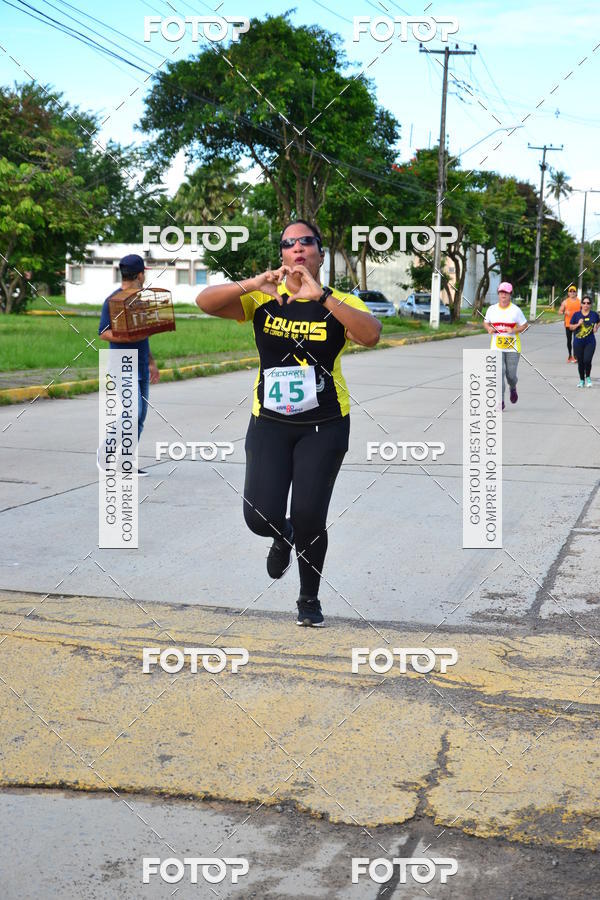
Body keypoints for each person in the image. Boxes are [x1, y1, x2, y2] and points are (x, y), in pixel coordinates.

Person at [196, 219, 381, 627]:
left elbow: (370, 335)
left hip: (326, 424)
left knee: (311, 515)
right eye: (288, 243)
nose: (297, 248)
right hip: (270, 423)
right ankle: (283, 534)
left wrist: (325, 297)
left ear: (320, 252)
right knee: (258, 516)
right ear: (281, 254)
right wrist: (253, 282)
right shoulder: (264, 298)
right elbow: (205, 302)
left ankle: (308, 598)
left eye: (306, 242)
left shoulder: (340, 300)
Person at [98, 254, 160, 475]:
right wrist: (127, 337)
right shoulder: (114, 300)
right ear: (140, 275)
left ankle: (125, 462)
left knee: (139, 417)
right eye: (144, 273)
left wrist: (152, 363)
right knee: (132, 413)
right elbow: (103, 333)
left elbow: (143, 336)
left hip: (142, 365)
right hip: (122, 365)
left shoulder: (141, 300)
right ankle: (106, 452)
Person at [483, 282, 528, 410]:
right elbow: (486, 323)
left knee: (511, 375)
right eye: (501, 292)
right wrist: (489, 329)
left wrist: (514, 330)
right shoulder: (492, 309)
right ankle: (500, 401)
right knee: (499, 373)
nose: (503, 294)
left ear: (510, 294)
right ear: (498, 294)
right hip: (496, 347)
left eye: (506, 292)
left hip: (512, 348)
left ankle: (513, 387)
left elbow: (524, 325)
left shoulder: (516, 310)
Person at [568, 295, 599, 387]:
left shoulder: (594, 314)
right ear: (581, 304)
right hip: (578, 342)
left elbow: (598, 321)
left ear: (590, 304)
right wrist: (578, 324)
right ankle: (582, 380)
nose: (586, 305)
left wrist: (596, 327)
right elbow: (570, 327)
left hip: (590, 342)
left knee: (587, 360)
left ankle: (588, 377)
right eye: (584, 303)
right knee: (580, 362)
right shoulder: (576, 315)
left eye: (588, 303)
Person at [558, 285, 581, 362]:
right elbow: (559, 312)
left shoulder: (579, 302)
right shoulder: (565, 302)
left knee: (576, 341)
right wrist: (565, 312)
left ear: (576, 293)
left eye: (573, 291)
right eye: (570, 291)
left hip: (577, 324)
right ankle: (570, 356)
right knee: (569, 340)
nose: (572, 293)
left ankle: (575, 356)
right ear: (568, 293)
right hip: (568, 324)